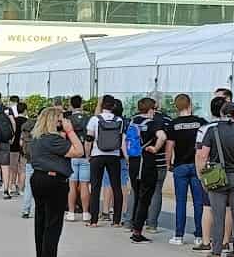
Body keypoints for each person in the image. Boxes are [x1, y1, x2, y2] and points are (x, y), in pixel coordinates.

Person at [28, 104, 85, 257]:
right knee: (53, 221)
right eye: (62, 120)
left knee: (41, 219)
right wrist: (70, 131)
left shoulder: (37, 138)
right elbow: (79, 151)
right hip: (54, 181)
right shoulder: (53, 140)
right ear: (55, 121)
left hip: (38, 178)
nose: (65, 122)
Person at [197, 101, 234, 257]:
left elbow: (203, 155)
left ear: (221, 114)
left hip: (217, 177)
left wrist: (203, 175)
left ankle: (216, 252)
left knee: (218, 215)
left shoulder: (212, 131)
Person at [165, 95, 206, 248]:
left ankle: (179, 235)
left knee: (180, 202)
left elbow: (169, 147)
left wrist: (168, 163)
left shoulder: (173, 124)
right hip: (197, 166)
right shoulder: (200, 122)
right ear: (190, 104)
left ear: (176, 106)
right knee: (198, 202)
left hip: (180, 166)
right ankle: (200, 236)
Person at [128, 98, 169, 242]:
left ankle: (133, 224)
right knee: (145, 197)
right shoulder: (152, 123)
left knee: (137, 193)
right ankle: (137, 232)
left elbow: (124, 141)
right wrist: (156, 148)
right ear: (151, 110)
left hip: (133, 162)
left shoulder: (132, 121)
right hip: (146, 162)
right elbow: (162, 136)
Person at [86, 96, 126, 227]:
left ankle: (93, 221)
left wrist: (88, 155)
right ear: (113, 106)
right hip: (114, 155)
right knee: (116, 187)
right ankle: (116, 220)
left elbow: (89, 139)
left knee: (96, 187)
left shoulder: (94, 119)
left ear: (102, 105)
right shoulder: (119, 120)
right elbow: (121, 139)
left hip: (97, 155)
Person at [64, 95, 92, 224]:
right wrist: (87, 154)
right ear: (82, 104)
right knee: (85, 184)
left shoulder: (68, 119)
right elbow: (89, 139)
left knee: (72, 184)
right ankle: (86, 212)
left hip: (72, 155)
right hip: (85, 156)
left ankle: (71, 212)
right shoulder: (89, 119)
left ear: (71, 104)